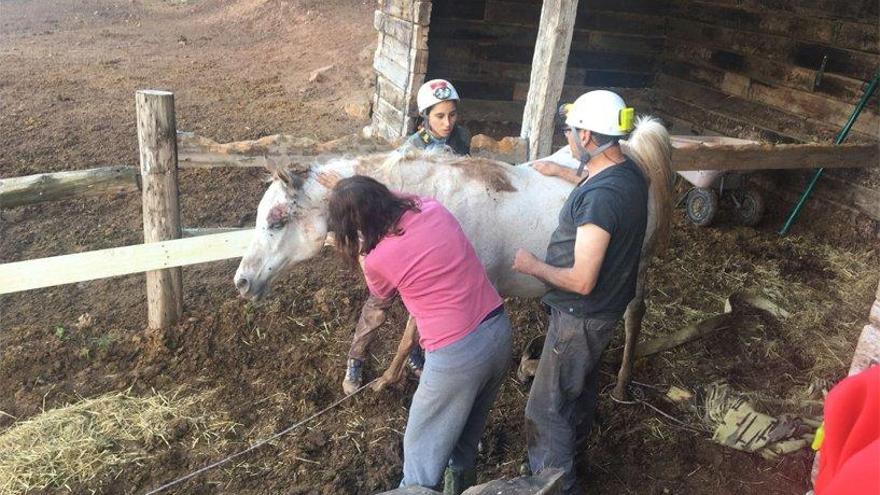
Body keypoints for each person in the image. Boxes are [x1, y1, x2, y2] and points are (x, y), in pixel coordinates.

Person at [323, 174, 511, 493]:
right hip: (498, 333)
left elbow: (381, 295)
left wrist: (348, 242)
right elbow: (394, 198)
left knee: (421, 458)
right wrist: (352, 190)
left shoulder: (376, 260)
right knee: (463, 442)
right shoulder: (432, 208)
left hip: (456, 356)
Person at [511, 90, 647, 495]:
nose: (568, 137)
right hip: (604, 312)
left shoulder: (600, 199)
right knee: (580, 389)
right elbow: (599, 190)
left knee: (545, 407)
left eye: (570, 131)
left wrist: (531, 265)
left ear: (587, 136)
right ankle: (575, 455)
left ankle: (556, 484)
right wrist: (563, 174)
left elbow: (583, 280)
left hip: (581, 316)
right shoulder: (627, 172)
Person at [402, 79, 471, 155]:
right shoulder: (413, 147)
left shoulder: (462, 136)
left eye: (452, 115)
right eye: (440, 116)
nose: (447, 123)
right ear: (426, 115)